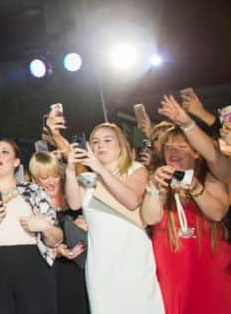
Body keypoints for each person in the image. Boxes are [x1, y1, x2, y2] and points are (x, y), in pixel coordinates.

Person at [65, 123, 164, 314]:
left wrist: (102, 172)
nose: (101, 145)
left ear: (121, 146)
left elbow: (132, 200)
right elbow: (74, 204)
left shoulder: (136, 169)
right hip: (101, 264)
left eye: (107, 140)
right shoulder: (87, 178)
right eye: (95, 142)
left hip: (133, 259)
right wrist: (70, 169)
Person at [0, 138, 62, 314]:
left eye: (4, 152)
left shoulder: (34, 191)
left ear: (16, 162)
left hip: (33, 263)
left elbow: (56, 239)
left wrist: (44, 227)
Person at [141, 125, 230, 314]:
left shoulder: (211, 180)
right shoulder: (157, 181)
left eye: (181, 146)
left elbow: (217, 213)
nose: (173, 151)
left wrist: (195, 187)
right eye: (168, 147)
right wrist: (154, 187)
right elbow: (149, 217)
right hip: (171, 277)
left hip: (209, 273)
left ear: (197, 153)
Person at [29, 152, 89, 314]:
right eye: (44, 177)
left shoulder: (74, 198)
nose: (51, 181)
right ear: (34, 180)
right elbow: (30, 243)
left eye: (54, 175)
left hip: (78, 270)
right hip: (50, 271)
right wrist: (56, 251)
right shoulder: (32, 205)